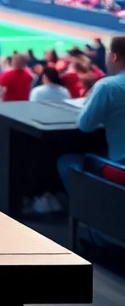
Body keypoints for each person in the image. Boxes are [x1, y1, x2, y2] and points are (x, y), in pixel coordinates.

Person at [58, 37, 125, 214]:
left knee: (67, 162)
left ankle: (91, 218)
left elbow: (85, 125)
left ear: (115, 57)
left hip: (120, 165)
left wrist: (89, 104)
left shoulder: (107, 86)